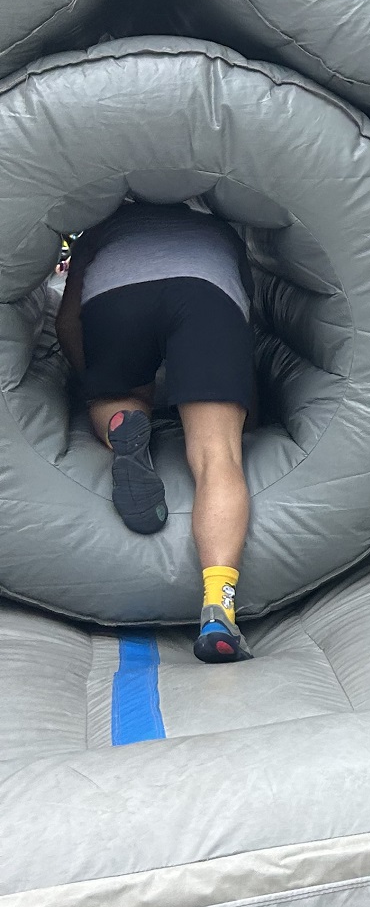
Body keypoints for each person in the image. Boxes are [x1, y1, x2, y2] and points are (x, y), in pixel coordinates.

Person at [55, 200, 257, 663]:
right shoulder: (219, 227)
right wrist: (246, 405)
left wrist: (93, 385)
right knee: (217, 455)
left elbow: (66, 322)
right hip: (207, 294)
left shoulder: (102, 227)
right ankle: (218, 608)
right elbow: (246, 319)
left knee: (118, 399)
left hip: (114, 298)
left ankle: (123, 425)